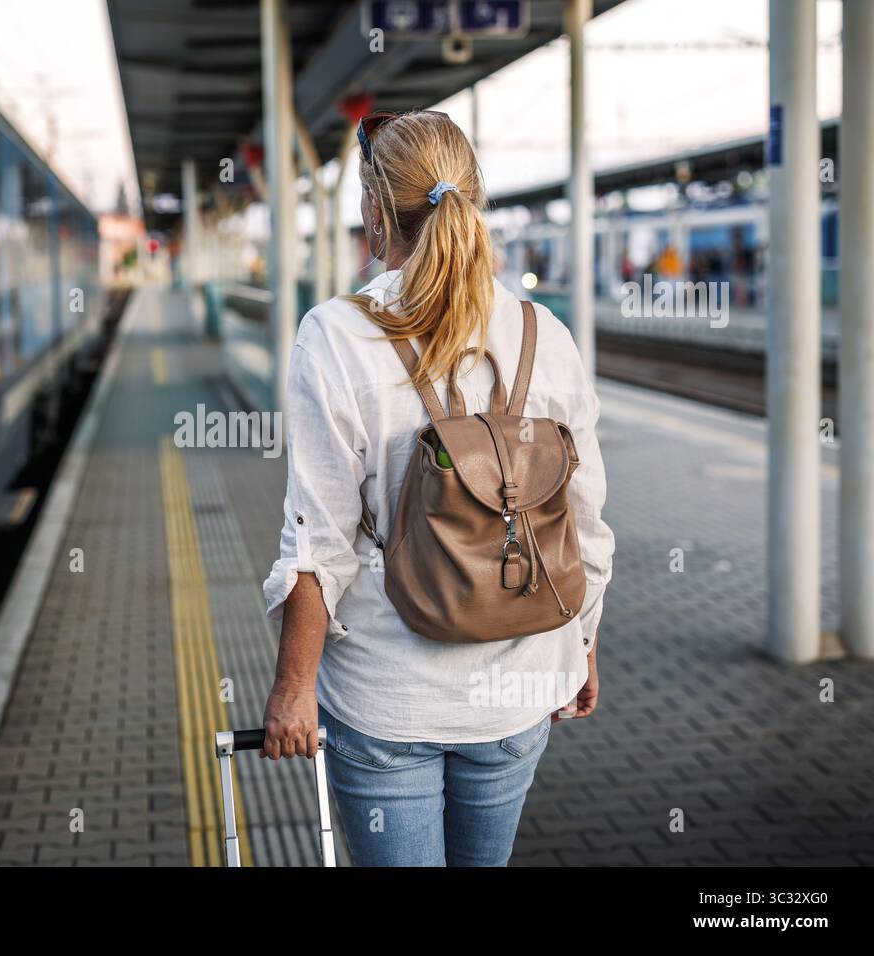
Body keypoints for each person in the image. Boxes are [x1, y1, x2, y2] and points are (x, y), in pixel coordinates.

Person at [260, 110, 615, 867]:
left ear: (375, 213)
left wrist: (291, 691)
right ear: (473, 202)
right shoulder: (543, 332)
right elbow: (584, 522)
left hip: (387, 700)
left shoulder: (334, 333)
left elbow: (317, 544)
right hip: (519, 686)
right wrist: (580, 643)